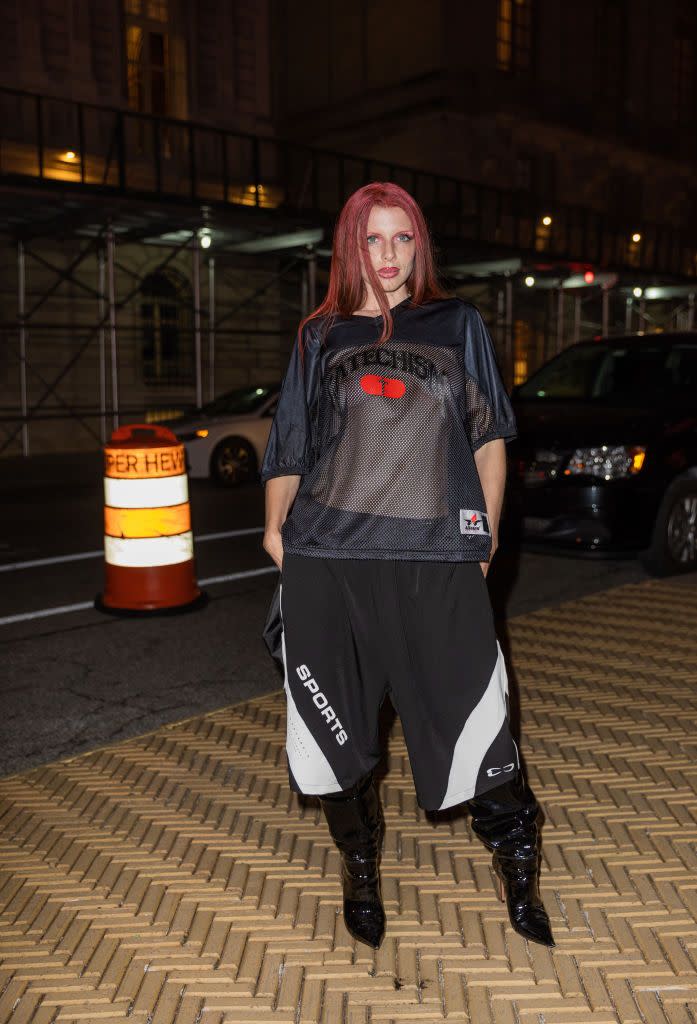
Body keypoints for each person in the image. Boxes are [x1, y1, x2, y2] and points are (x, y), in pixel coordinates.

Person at [260, 182, 554, 951]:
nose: (387, 257)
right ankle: (359, 868)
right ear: (349, 246)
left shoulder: (455, 324)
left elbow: (488, 435)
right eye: (372, 240)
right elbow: (291, 445)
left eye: (402, 240)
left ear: (418, 246)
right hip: (329, 559)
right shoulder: (317, 336)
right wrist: (273, 530)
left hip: (433, 555)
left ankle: (516, 862)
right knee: (335, 738)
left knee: (477, 719)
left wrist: (484, 534)